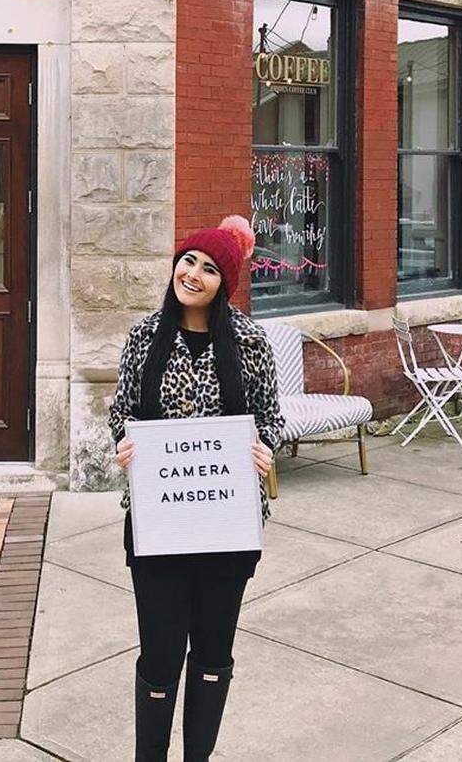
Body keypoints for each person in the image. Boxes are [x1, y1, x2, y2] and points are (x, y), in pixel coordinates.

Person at [110, 215, 285, 762]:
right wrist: (123, 445)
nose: (194, 274)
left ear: (224, 284)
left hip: (225, 530)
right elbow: (121, 412)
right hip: (159, 528)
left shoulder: (251, 343)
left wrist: (265, 449)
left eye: (210, 269)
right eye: (189, 260)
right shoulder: (145, 335)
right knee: (160, 656)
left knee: (212, 654)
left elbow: (270, 418)